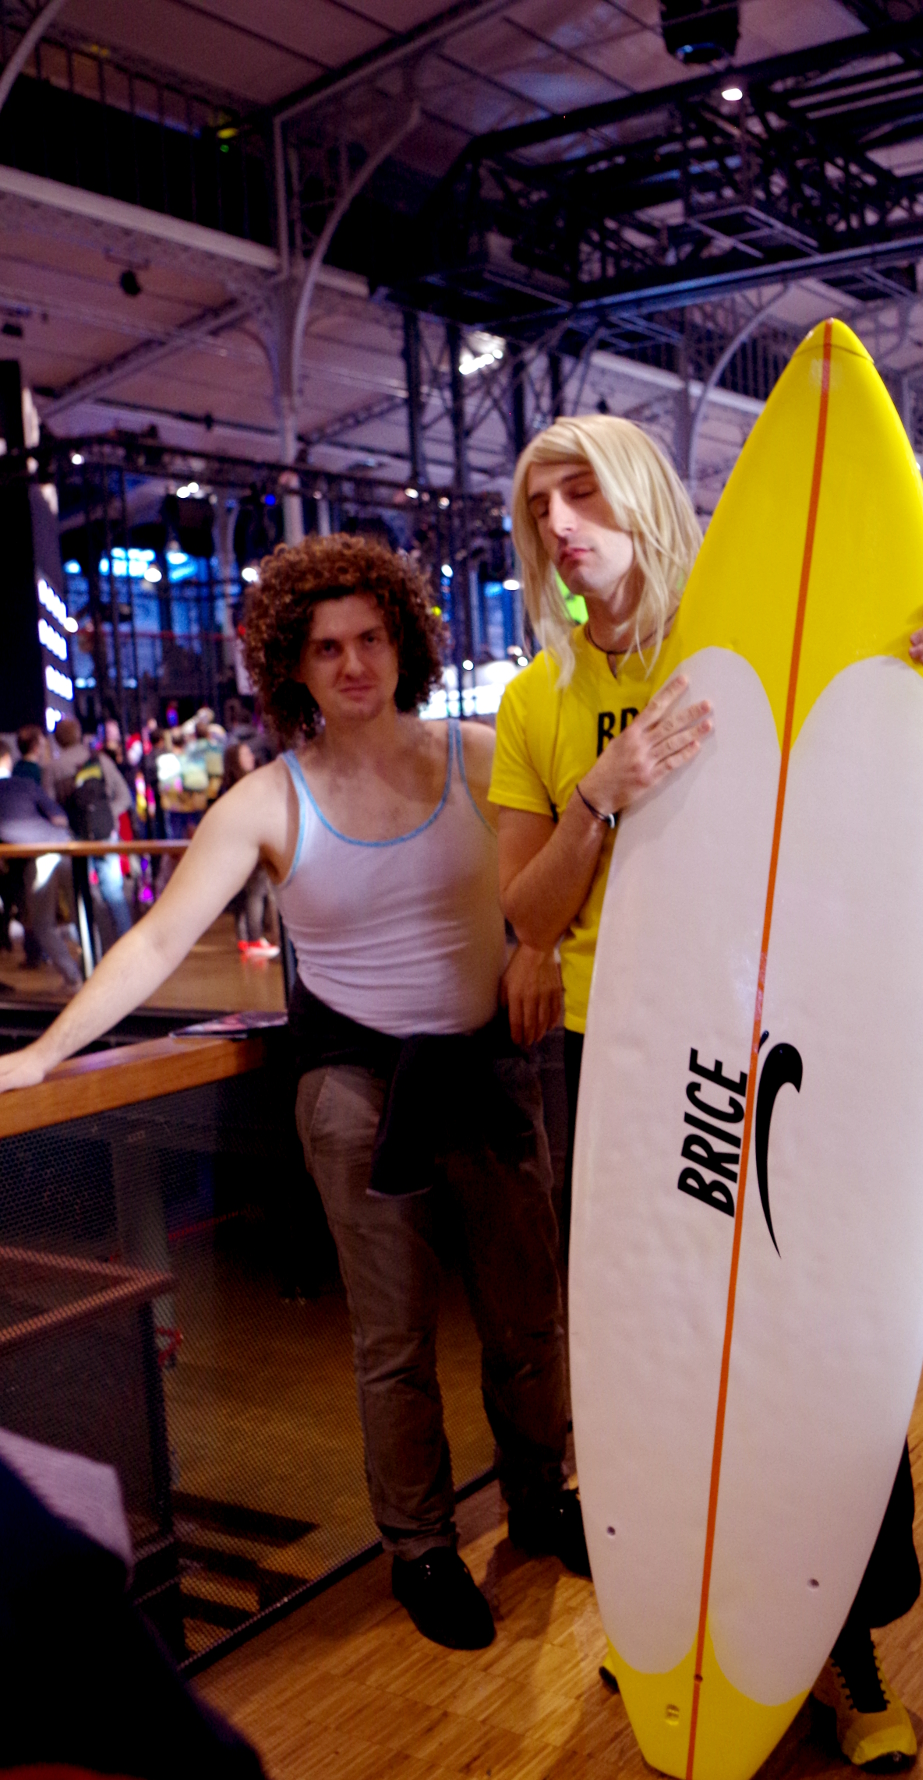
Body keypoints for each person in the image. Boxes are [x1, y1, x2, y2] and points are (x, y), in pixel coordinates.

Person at [491, 412, 923, 1773]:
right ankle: (661, 1609)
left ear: (643, 497)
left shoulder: (754, 632)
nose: (560, 525)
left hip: (783, 1048)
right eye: (538, 507)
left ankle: (845, 1640)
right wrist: (601, 793)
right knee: (647, 1351)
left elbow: (879, 775)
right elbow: (526, 919)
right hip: (618, 1065)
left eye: (583, 493)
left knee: (815, 1336)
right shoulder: (536, 703)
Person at [0, 532, 587, 1651]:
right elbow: (157, 940)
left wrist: (539, 950)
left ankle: (540, 1497)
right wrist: (43, 1054)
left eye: (370, 638)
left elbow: (572, 869)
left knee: (527, 1316)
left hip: (491, 1066)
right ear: (293, 666)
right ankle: (420, 1548)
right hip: (355, 1087)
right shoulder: (267, 802)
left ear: (403, 644)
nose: (354, 663)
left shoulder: (480, 758)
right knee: (393, 1338)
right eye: (327, 647)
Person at [0, 726, 80, 988]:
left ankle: (73, 978)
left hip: (37, 858)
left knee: (42, 924)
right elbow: (59, 818)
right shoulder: (25, 784)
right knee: (79, 915)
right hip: (66, 847)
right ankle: (96, 971)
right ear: (7, 759)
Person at [51, 717, 133, 951]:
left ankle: (91, 952)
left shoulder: (54, 768)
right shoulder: (100, 760)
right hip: (105, 833)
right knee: (113, 893)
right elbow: (124, 796)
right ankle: (128, 946)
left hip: (75, 838)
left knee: (81, 896)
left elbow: (51, 809)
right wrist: (106, 814)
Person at [218, 742, 278, 957]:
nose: (251, 756)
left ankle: (244, 937)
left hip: (234, 849)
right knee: (256, 893)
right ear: (236, 760)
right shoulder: (248, 786)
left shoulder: (226, 787)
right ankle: (255, 939)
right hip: (252, 846)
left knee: (244, 894)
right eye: (245, 754)